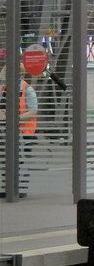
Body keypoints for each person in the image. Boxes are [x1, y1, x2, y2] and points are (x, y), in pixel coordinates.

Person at [0, 66, 38, 198]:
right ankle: (7, 187)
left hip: (25, 132)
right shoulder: (4, 89)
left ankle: (20, 188)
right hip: (8, 130)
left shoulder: (28, 89)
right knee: (7, 159)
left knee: (22, 162)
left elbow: (33, 110)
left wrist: (16, 118)